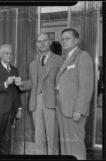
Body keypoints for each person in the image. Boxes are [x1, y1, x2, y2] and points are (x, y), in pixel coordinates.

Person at [16, 33, 63, 154]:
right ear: (36, 44)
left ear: (49, 42)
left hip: (52, 101)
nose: (42, 43)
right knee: (39, 135)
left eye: (45, 41)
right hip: (36, 102)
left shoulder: (59, 60)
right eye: (39, 41)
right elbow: (33, 82)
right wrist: (21, 84)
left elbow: (63, 81)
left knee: (52, 136)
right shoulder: (33, 64)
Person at [56, 28, 94, 160]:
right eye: (62, 39)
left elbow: (86, 87)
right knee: (66, 144)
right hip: (63, 109)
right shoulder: (66, 58)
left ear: (76, 41)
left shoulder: (83, 56)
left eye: (67, 38)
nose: (63, 41)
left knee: (75, 145)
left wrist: (79, 109)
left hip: (74, 111)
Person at [0, 44, 22, 154]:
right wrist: (6, 83)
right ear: (1, 55)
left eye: (11, 53)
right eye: (7, 53)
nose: (9, 55)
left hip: (10, 110)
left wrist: (19, 108)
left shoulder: (15, 70)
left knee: (7, 139)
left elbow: (17, 92)